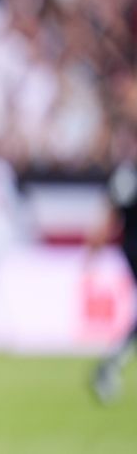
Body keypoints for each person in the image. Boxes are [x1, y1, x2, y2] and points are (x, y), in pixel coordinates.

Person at [88, 157, 137, 403]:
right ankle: (110, 366)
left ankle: (110, 365)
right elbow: (110, 213)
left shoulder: (126, 174)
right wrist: (94, 248)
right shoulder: (127, 175)